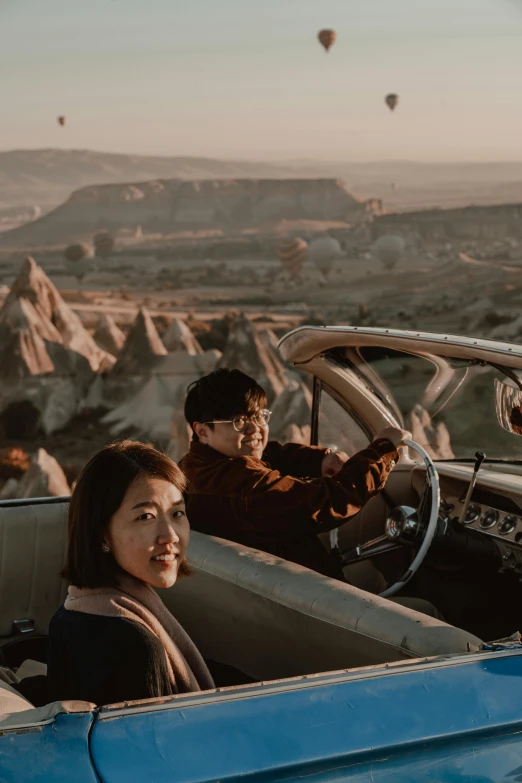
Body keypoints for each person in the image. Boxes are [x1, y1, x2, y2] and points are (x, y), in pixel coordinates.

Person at [179, 369, 409, 581]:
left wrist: (320, 460)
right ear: (202, 431)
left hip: (277, 586)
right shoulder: (245, 486)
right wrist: (382, 451)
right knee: (426, 609)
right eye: (239, 421)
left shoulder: (194, 466)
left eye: (259, 416)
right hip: (314, 603)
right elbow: (328, 501)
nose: (255, 429)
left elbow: (269, 454)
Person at [47, 441, 215, 707]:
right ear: (102, 533)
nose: (170, 535)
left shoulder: (72, 610)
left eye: (177, 513)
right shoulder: (136, 646)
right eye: (145, 517)